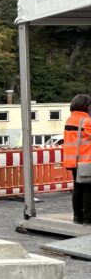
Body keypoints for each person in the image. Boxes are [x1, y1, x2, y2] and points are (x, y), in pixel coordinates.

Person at [63, 94, 91, 224]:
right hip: (86, 161)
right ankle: (88, 217)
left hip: (73, 161)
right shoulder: (87, 121)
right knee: (88, 189)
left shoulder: (69, 120)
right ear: (86, 106)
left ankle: (78, 216)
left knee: (78, 187)